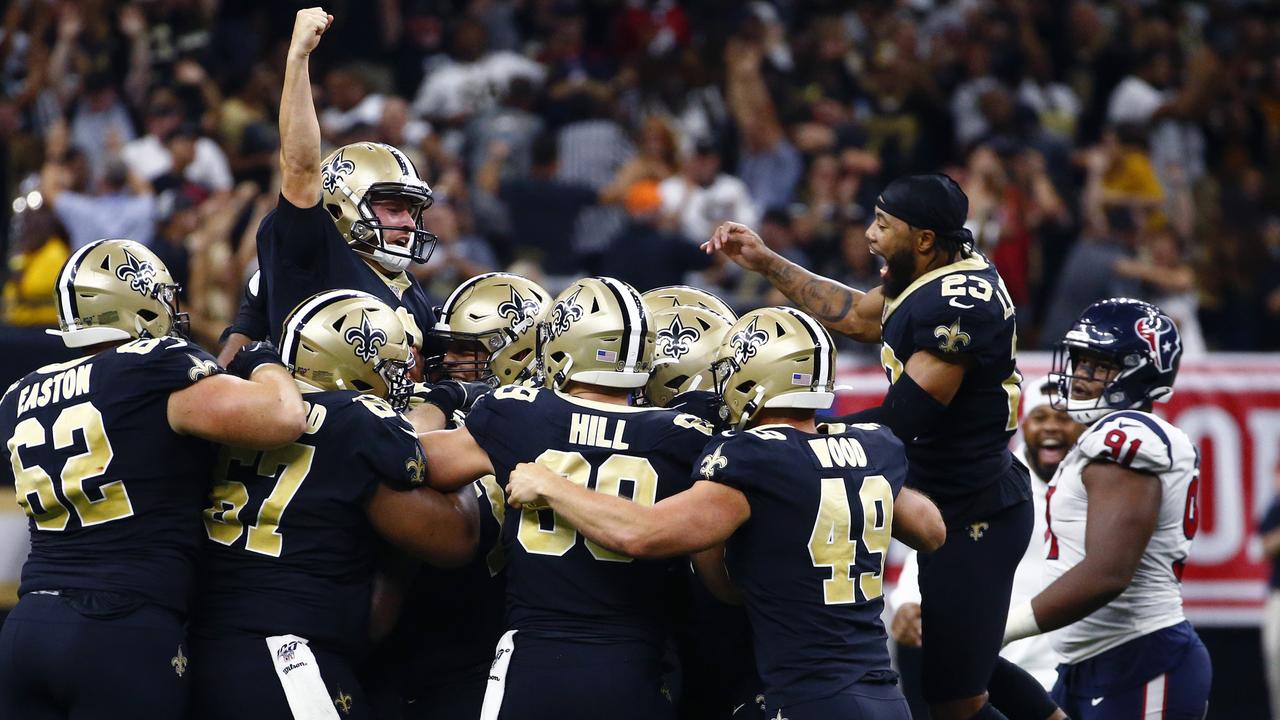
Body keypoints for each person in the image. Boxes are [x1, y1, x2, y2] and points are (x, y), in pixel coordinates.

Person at [702, 173, 1058, 720]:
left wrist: (791, 438)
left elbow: (904, 419)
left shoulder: (961, 302)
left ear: (922, 238)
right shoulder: (929, 272)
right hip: (943, 494)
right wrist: (767, 261)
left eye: (883, 225)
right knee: (963, 671)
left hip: (975, 508)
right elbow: (860, 317)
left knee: (957, 697)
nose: (869, 234)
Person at [505, 306, 947, 720]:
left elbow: (644, 534)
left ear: (752, 377)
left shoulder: (753, 457)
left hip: (807, 697)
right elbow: (932, 531)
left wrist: (549, 485)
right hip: (884, 697)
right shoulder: (871, 445)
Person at [0, 239, 308, 719]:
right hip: (119, 624)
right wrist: (265, 358)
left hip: (29, 623)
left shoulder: (20, 392)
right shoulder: (152, 363)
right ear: (138, 300)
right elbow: (282, 417)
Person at [417, 276, 715, 720]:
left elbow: (414, 460)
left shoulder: (517, 414)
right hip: (638, 661)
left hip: (534, 656)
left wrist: (440, 400)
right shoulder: (686, 435)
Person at [189, 290, 480, 720]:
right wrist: (461, 452)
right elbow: (454, 540)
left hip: (202, 639)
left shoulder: (237, 408)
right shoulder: (357, 420)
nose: (403, 378)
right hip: (286, 651)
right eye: (395, 366)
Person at [1003, 298, 1213, 720]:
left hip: (1139, 658)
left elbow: (1108, 573)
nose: (1080, 376)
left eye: (1097, 365)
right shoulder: (1103, 437)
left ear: (1140, 370)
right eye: (1080, 362)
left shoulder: (1127, 434)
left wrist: (1002, 628)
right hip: (1088, 662)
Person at [218, 8, 438, 366]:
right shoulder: (317, 252)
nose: (410, 224)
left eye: (412, 212)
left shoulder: (410, 290)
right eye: (395, 209)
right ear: (342, 206)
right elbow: (301, 168)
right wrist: (298, 58)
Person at [383, 271, 550, 720]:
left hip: (478, 644)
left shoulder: (532, 422)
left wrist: (440, 405)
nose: (451, 360)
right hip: (415, 642)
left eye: (469, 350)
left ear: (520, 353)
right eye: (448, 347)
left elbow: (400, 455)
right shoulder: (441, 404)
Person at [891, 377, 1085, 699]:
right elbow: (939, 536)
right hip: (1002, 668)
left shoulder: (1097, 484)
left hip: (1074, 667)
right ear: (1023, 425)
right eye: (1040, 418)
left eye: (1063, 418)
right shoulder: (1000, 482)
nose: (1052, 427)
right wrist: (909, 599)